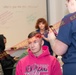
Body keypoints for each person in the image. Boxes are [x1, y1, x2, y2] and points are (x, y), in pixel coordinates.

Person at [48, 0, 76, 75]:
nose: (67, 7)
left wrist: (52, 39)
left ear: (71, 2)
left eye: (67, 5)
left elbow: (59, 50)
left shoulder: (69, 19)